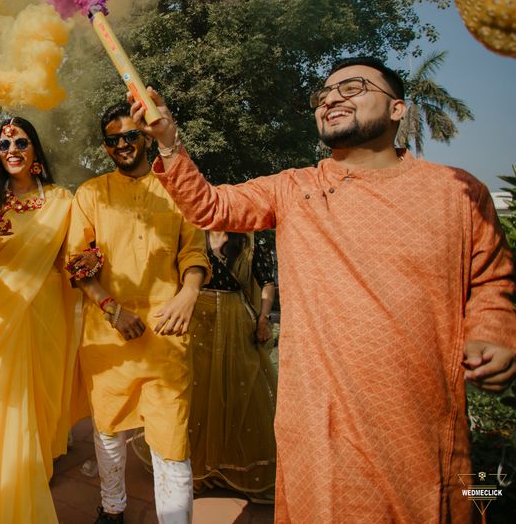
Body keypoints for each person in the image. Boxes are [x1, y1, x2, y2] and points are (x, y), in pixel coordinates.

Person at [131, 56, 516, 522]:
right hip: (321, 423)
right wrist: (169, 144)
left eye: (352, 87)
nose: (331, 98)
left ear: (397, 109)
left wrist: (493, 333)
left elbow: (492, 278)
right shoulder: (295, 188)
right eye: (323, 95)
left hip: (419, 421)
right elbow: (210, 206)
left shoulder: (457, 192)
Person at [65, 103, 209, 524]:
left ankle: (175, 519)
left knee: (171, 435)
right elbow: (77, 263)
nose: (123, 145)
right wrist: (113, 310)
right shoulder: (91, 193)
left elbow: (194, 250)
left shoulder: (177, 187)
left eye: (130, 135)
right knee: (109, 429)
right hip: (108, 334)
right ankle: (112, 509)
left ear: (146, 136)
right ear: (105, 147)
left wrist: (188, 293)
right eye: (113, 140)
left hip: (168, 330)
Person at [0, 116, 79, 523]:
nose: (12, 151)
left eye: (21, 143)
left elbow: (74, 257)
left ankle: (26, 487)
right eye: (4, 145)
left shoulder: (63, 199)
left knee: (39, 413)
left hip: (47, 314)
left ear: (36, 152)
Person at [189, 231, 277, 502]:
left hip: (236, 320)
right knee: (199, 391)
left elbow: (267, 283)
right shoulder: (193, 238)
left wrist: (263, 318)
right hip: (198, 321)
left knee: (241, 389)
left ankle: (237, 467)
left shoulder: (249, 241)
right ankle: (198, 470)